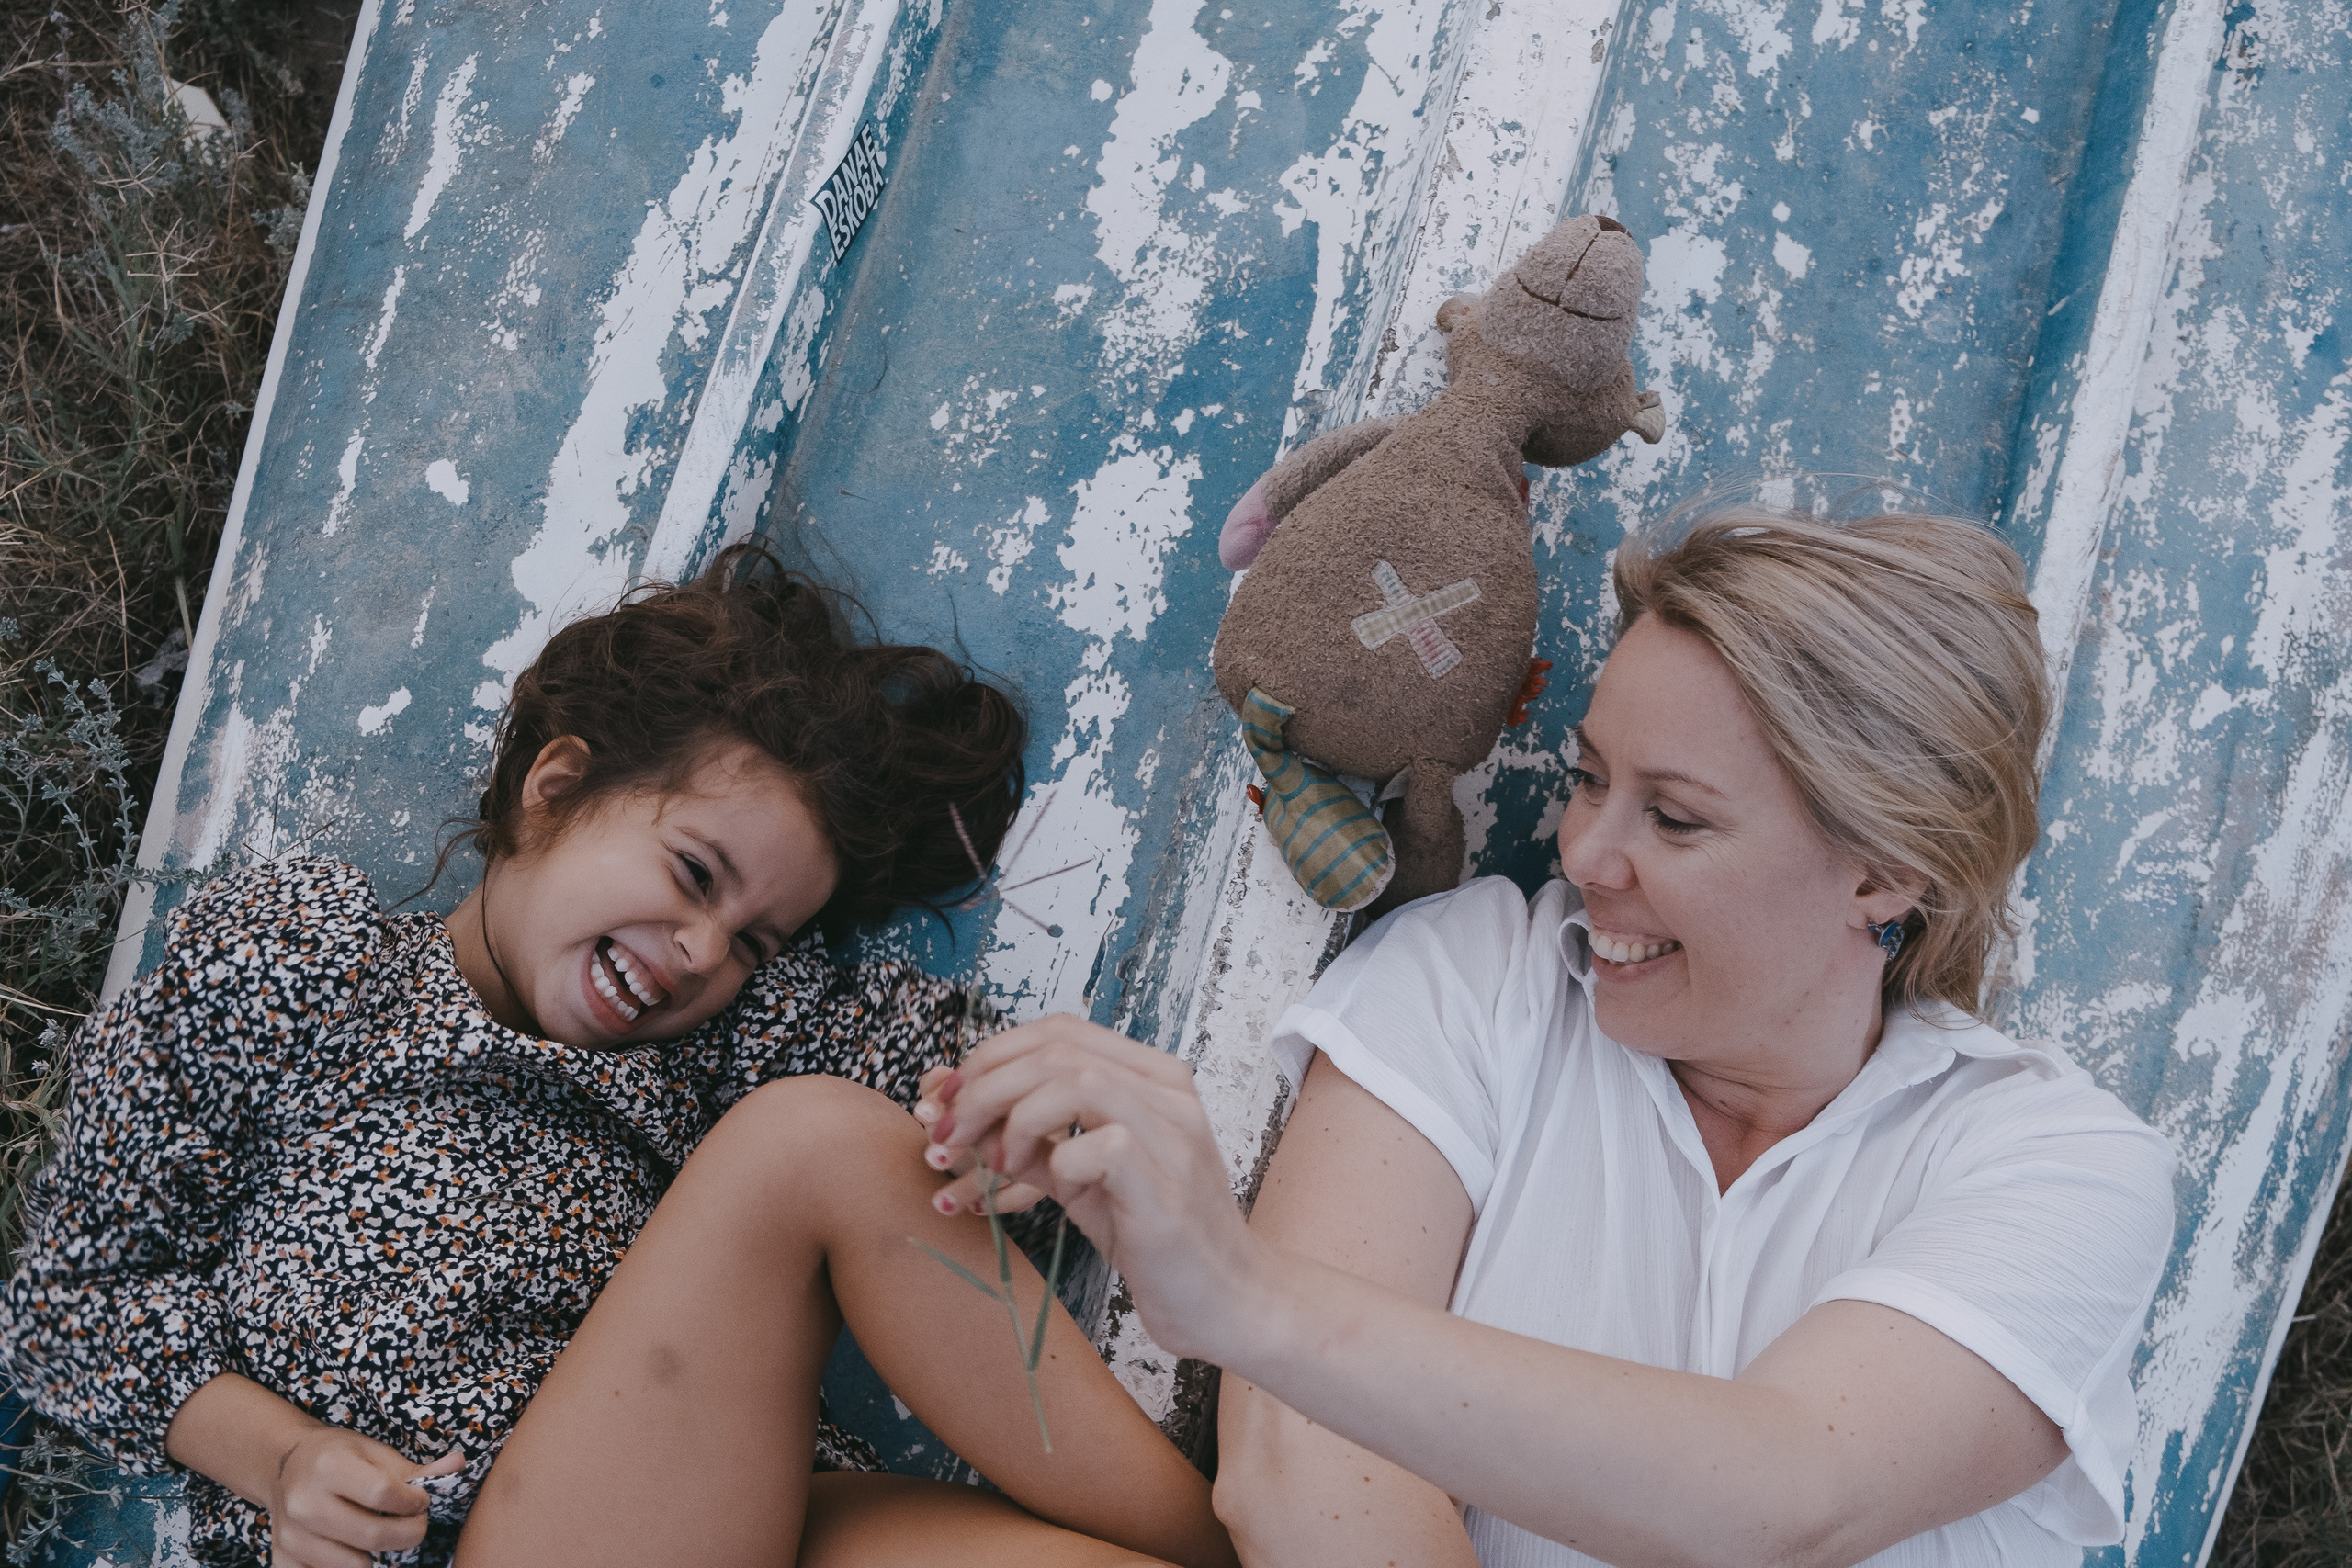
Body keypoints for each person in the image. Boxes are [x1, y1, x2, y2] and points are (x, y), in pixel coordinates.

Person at [922, 505, 2177, 1567]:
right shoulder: (1479, 980)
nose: (1585, 853)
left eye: (1675, 820)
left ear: (1885, 874)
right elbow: (1303, 1474)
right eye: (1588, 779)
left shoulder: (2054, 1164)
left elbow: (1793, 1491)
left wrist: (1242, 1300)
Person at [0, 543, 1236, 1568]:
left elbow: (935, 1083)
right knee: (807, 1141)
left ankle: (1253, 1535)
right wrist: (280, 1461)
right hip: (457, 1533)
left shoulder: (720, 1031)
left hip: (740, 1514)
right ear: (554, 788)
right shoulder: (297, 965)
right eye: (693, 874)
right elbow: (66, 1306)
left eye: (754, 938)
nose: (702, 951)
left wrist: (1020, 1125)